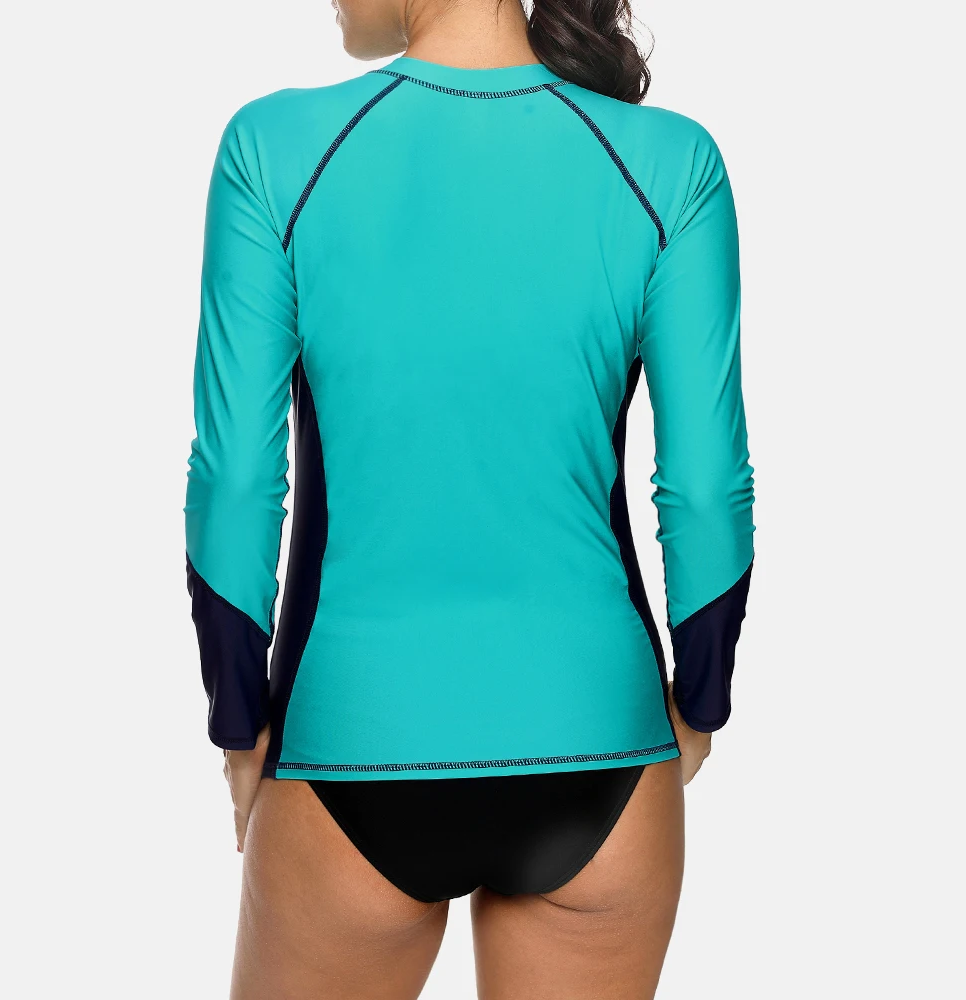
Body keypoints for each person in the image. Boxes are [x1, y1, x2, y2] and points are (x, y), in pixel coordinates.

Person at [184, 1, 755, 996]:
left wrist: (238, 720)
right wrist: (700, 698)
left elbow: (236, 481)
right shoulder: (671, 163)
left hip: (351, 742)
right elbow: (707, 491)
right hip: (603, 741)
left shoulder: (275, 149)